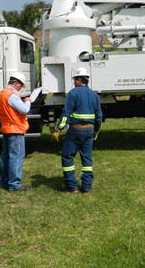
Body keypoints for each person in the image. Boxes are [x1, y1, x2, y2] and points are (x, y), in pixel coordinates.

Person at [51, 67, 103, 195]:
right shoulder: (94, 95)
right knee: (87, 160)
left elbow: (65, 114)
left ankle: (72, 187)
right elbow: (99, 116)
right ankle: (86, 188)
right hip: (89, 131)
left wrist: (58, 129)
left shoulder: (73, 94)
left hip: (75, 130)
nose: (74, 82)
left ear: (79, 80)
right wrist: (96, 130)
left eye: (75, 80)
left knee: (68, 157)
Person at [0, 72, 32, 192]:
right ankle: (14, 185)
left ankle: (4, 181)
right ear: (16, 83)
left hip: (6, 128)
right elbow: (25, 109)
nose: (21, 89)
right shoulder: (12, 95)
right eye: (20, 86)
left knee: (6, 156)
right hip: (15, 129)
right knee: (16, 157)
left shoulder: (2, 93)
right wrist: (28, 101)